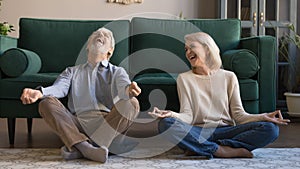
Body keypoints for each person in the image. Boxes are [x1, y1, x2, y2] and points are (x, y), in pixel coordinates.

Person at [149, 32, 290, 159]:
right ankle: (222, 151)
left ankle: (202, 148)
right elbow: (188, 115)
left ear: (207, 48)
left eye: (192, 47)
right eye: (186, 49)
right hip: (198, 131)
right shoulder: (184, 78)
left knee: (271, 129)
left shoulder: (229, 77)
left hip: (226, 130)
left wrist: (262, 116)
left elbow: (238, 115)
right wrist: (171, 114)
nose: (187, 52)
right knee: (166, 124)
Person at [20, 27, 141, 163]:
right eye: (97, 35)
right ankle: (88, 148)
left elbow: (123, 88)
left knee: (132, 102)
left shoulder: (118, 72)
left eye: (105, 36)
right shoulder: (71, 71)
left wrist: (128, 91)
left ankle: (80, 147)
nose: (101, 35)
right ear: (88, 48)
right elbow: (59, 89)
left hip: (107, 123)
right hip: (76, 123)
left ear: (110, 51)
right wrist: (40, 92)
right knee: (46, 103)